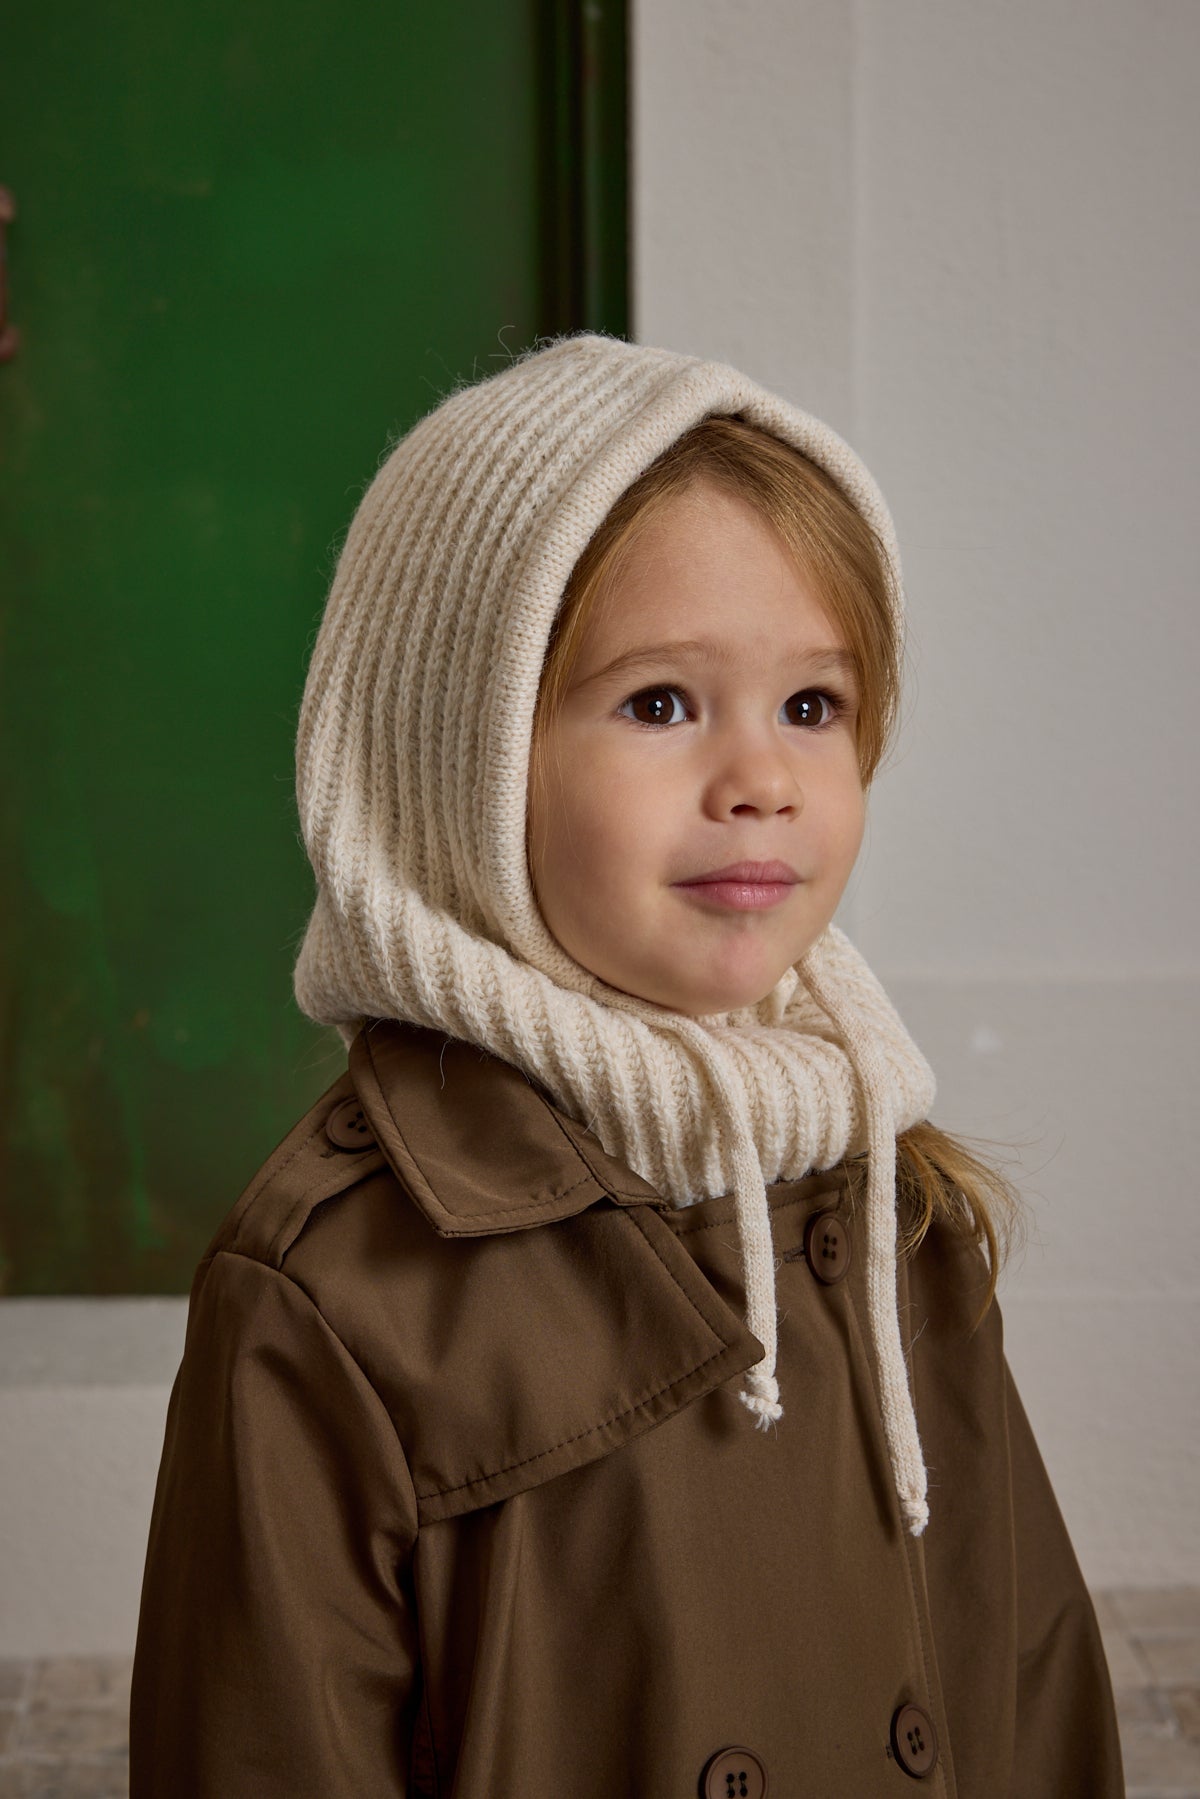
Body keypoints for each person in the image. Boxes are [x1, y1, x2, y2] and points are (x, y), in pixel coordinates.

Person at [129, 333, 1124, 1796]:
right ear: (460, 759)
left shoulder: (888, 1202)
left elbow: (1034, 1692)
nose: (763, 779)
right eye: (661, 703)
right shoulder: (338, 1297)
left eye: (815, 705)